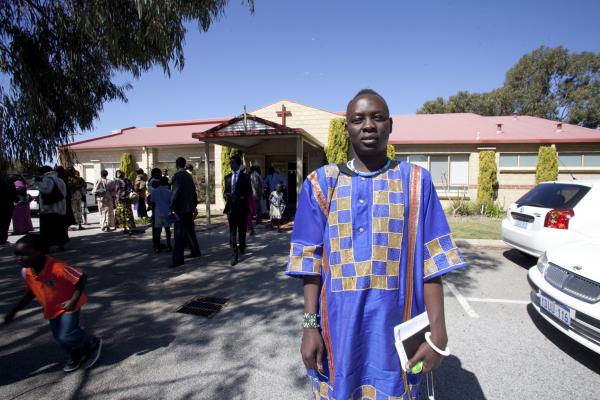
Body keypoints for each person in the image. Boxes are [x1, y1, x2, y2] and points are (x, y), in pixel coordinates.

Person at [287, 89, 467, 400]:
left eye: (377, 117)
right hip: (338, 335)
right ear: (347, 129)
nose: (368, 125)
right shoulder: (321, 184)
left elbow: (433, 262)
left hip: (397, 335)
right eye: (358, 120)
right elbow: (310, 263)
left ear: (391, 125)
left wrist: (438, 333)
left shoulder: (416, 182)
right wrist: (309, 325)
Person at [3, 234, 102, 372]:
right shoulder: (26, 272)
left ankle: (92, 342)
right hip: (52, 309)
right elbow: (30, 292)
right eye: (17, 254)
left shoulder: (57, 267)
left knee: (66, 334)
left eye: (24, 254)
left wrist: (73, 300)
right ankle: (76, 353)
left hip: (69, 306)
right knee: (59, 338)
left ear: (40, 252)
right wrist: (14, 310)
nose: (19, 258)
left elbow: (81, 277)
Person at [170, 157, 201, 268]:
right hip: (189, 208)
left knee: (178, 235)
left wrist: (171, 206)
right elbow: (194, 192)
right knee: (190, 232)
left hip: (181, 209)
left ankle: (178, 260)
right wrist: (194, 206)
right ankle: (195, 251)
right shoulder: (188, 175)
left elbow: (175, 192)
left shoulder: (178, 176)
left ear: (176, 164)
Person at [223, 155, 252, 266]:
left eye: (233, 163)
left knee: (242, 230)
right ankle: (234, 254)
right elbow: (225, 191)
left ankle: (242, 245)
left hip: (242, 208)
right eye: (230, 163)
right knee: (232, 231)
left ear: (238, 164)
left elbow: (249, 193)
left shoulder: (245, 177)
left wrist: (239, 197)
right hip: (231, 208)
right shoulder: (227, 177)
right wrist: (227, 195)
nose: (231, 165)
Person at [37, 166, 69, 251]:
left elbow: (46, 190)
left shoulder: (47, 179)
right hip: (60, 208)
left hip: (49, 209)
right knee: (60, 228)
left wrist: (38, 182)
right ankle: (61, 245)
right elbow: (64, 193)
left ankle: (47, 247)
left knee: (47, 229)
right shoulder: (60, 180)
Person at [150, 177, 173, 253]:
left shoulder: (154, 191)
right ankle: (169, 246)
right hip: (167, 213)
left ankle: (157, 247)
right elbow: (171, 203)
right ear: (166, 183)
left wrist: (153, 213)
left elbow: (152, 203)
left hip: (157, 213)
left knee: (158, 231)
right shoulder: (169, 192)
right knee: (167, 230)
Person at [0, 173, 17, 244]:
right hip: (7, 205)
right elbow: (14, 195)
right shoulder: (9, 183)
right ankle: (2, 238)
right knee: (5, 223)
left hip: (5, 205)